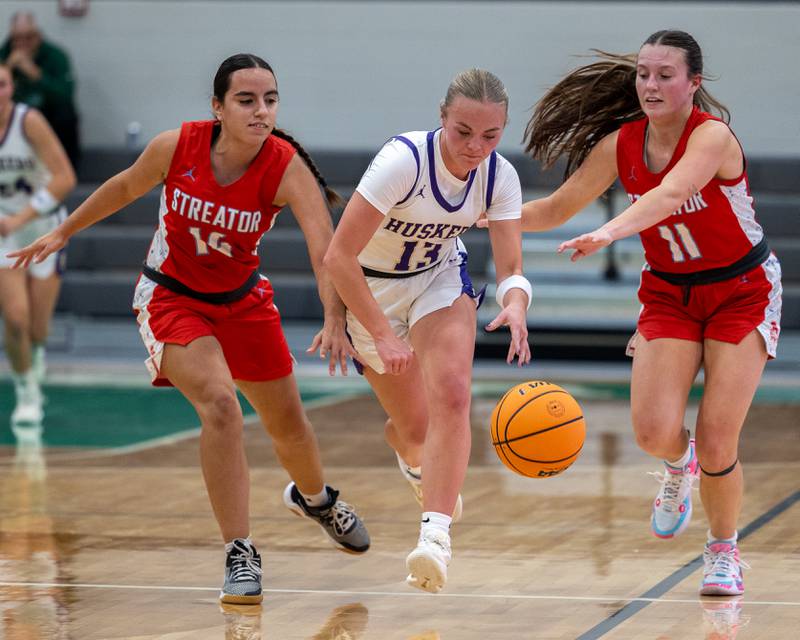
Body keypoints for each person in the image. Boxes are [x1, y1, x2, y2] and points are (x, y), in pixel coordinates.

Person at [7, 53, 370, 604]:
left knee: (290, 426)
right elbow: (125, 186)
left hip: (243, 299)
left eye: (270, 99)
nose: (261, 110)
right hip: (171, 297)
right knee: (221, 406)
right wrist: (65, 232)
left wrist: (334, 315)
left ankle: (316, 499)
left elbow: (327, 252)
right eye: (246, 100)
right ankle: (240, 552)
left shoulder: (285, 165)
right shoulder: (178, 146)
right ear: (218, 107)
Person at [516, 30, 782, 596]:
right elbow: (555, 208)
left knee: (718, 440)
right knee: (653, 431)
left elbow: (666, 196)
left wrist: (608, 231)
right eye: (643, 73)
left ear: (694, 84)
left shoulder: (712, 137)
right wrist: (471, 215)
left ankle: (723, 551)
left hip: (742, 291)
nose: (651, 84)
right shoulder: (621, 143)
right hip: (669, 292)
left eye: (665, 74)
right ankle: (676, 466)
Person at [324, 68, 531, 593]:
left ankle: (434, 539)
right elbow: (338, 257)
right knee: (415, 433)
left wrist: (516, 303)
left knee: (454, 394)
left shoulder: (498, 176)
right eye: (463, 131)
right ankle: (417, 463)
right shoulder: (403, 162)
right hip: (371, 289)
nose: (475, 147)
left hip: (439, 278)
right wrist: (382, 333)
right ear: (441, 118)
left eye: (490, 135)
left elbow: (509, 264)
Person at [0, 62, 76, 425]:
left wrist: (20, 218)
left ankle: (38, 352)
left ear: (11, 88)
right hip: (4, 236)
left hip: (43, 228)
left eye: (0, 84)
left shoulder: (28, 121)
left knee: (37, 327)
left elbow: (64, 178)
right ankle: (26, 390)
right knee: (15, 320)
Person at [0, 12, 80, 167]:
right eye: (17, 38)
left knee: (66, 113)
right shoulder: (4, 56)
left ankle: (68, 167)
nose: (23, 43)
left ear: (38, 35)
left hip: (48, 113)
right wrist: (8, 69)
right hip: (10, 115)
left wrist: (36, 74)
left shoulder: (56, 56)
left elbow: (65, 94)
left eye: (28, 37)